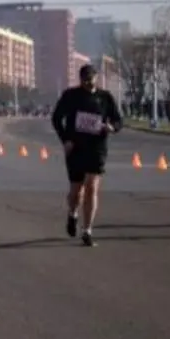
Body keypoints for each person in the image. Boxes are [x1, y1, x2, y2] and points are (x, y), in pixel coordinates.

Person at [51, 64, 123, 246]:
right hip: (75, 147)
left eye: (91, 81)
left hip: (97, 147)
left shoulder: (105, 97)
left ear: (96, 78)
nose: (88, 84)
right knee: (77, 190)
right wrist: (65, 139)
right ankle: (72, 213)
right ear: (80, 79)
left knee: (92, 186)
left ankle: (87, 230)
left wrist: (112, 127)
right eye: (85, 81)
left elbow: (118, 119)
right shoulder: (71, 95)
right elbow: (57, 118)